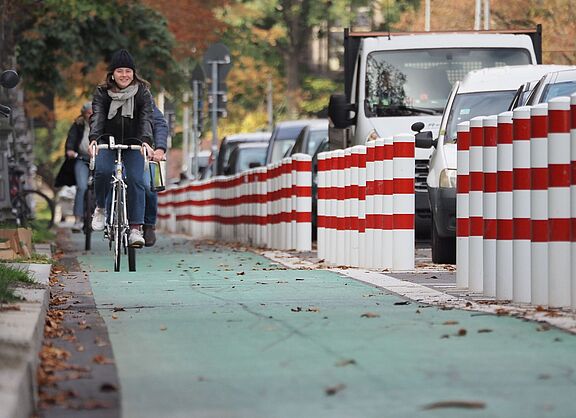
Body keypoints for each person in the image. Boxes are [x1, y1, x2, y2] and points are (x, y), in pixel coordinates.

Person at [89, 49, 153, 248]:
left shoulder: (142, 92)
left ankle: (135, 228)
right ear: (112, 74)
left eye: (128, 71)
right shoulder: (102, 92)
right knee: (102, 170)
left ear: (133, 73)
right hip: (107, 141)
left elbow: (146, 118)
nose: (124, 75)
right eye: (120, 71)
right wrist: (94, 139)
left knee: (137, 179)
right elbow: (98, 116)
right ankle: (100, 208)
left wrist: (145, 141)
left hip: (134, 142)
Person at [64, 102, 92, 232]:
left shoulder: (102, 123)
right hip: (81, 158)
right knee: (81, 187)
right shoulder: (78, 125)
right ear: (84, 114)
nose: (91, 115)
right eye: (88, 113)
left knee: (102, 185)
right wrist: (70, 150)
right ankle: (78, 219)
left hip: (98, 159)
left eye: (93, 112)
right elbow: (71, 138)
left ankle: (98, 216)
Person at [143, 102, 168, 246]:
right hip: (117, 150)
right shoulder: (108, 96)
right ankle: (109, 218)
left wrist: (159, 148)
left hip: (146, 153)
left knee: (148, 187)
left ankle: (149, 225)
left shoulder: (145, 100)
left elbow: (160, 124)